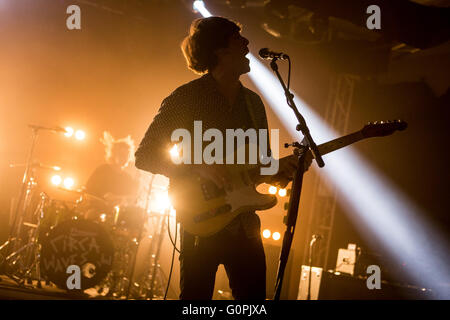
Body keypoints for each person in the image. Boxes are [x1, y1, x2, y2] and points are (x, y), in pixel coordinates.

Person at [135, 17, 303, 300]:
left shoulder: (253, 103)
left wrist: (286, 170)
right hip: (201, 221)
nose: (247, 43)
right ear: (220, 50)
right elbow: (145, 155)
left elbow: (262, 167)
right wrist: (197, 167)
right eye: (238, 38)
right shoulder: (186, 98)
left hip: (245, 227)